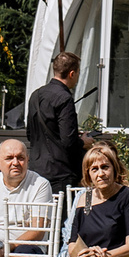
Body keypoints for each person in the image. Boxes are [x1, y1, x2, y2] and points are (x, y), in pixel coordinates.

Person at [24, 51, 86, 191]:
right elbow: (68, 141)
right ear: (71, 73)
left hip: (36, 170)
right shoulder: (65, 98)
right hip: (60, 173)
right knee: (62, 212)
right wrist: (83, 142)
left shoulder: (35, 95)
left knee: (39, 212)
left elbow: (30, 134)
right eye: (78, 73)